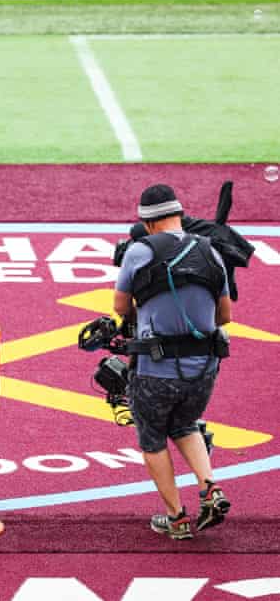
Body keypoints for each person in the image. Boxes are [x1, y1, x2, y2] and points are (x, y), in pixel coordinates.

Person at [114, 184, 233, 540]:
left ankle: (176, 517)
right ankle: (210, 487)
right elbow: (224, 316)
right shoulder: (211, 250)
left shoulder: (139, 251)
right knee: (185, 424)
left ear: (148, 224)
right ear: (180, 215)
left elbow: (121, 307)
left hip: (155, 370)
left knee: (152, 440)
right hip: (204, 370)